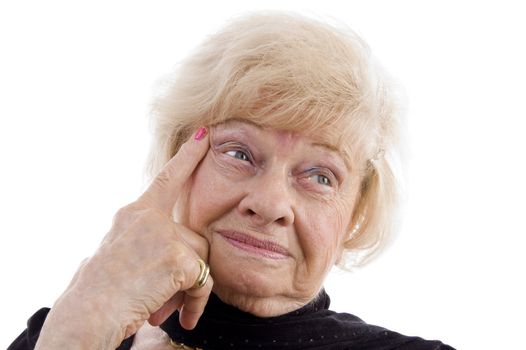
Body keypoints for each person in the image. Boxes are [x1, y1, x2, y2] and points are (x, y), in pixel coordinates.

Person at [8, 11, 455, 350]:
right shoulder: (65, 331)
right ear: (179, 160)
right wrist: (88, 318)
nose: (269, 202)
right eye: (239, 153)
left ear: (356, 211)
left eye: (320, 175)